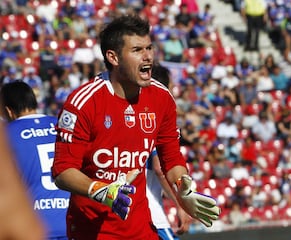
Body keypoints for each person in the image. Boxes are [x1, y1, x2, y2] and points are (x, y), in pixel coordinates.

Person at [51, 14, 220, 239]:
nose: (148, 56)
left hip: (141, 229)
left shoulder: (161, 97)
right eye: (137, 50)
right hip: (92, 231)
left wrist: (184, 189)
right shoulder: (83, 103)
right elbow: (62, 172)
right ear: (113, 57)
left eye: (149, 48)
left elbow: (171, 160)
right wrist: (101, 190)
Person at [0, 81, 69, 239]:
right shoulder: (60, 126)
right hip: (70, 222)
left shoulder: (6, 135)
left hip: (34, 225)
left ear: (9, 111)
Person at [146, 63, 191, 240]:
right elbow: (160, 168)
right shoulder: (156, 118)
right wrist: (181, 205)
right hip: (151, 215)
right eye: (171, 87)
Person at [0, 121, 45, 240]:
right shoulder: (57, 124)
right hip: (66, 218)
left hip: (37, 213)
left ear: (9, 111)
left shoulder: (8, 131)